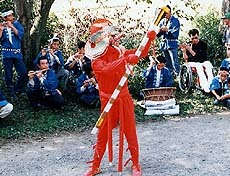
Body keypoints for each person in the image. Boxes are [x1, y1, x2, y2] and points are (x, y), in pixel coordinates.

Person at [83, 18, 156, 176]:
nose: (112, 37)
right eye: (107, 35)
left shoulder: (119, 51)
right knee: (103, 133)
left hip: (123, 98)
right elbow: (106, 69)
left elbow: (140, 53)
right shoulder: (96, 59)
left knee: (130, 131)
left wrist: (149, 39)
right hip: (107, 100)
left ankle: (135, 163)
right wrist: (124, 60)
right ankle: (95, 165)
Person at [0, 9, 27, 97]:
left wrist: (12, 27)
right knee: (8, 74)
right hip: (6, 54)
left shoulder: (17, 24)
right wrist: (1, 30)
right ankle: (11, 91)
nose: (12, 17)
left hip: (17, 53)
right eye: (10, 15)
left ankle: (18, 89)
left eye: (12, 15)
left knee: (23, 72)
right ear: (5, 18)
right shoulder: (1, 26)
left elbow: (20, 35)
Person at [180, 29, 214, 93]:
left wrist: (190, 50)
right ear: (190, 38)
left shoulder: (203, 44)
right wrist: (184, 51)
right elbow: (186, 59)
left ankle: (212, 85)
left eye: (196, 38)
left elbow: (201, 57)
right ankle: (205, 87)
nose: (194, 40)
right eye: (192, 38)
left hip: (202, 60)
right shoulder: (188, 45)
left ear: (198, 36)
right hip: (192, 63)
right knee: (199, 66)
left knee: (208, 65)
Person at [157, 5, 180, 77]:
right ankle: (170, 78)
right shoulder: (162, 21)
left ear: (170, 12)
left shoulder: (175, 20)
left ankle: (178, 77)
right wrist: (159, 30)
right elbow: (158, 34)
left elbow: (175, 33)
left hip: (172, 44)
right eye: (164, 13)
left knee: (175, 62)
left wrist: (167, 30)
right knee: (167, 63)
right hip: (164, 45)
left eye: (166, 13)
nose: (165, 15)